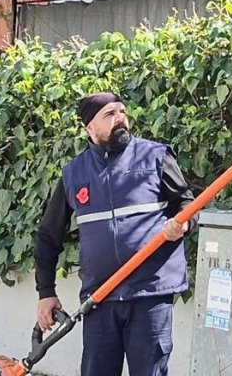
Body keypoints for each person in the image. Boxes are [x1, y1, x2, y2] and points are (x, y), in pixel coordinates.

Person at [34, 92, 199, 376]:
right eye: (109, 115)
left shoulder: (155, 156)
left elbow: (187, 204)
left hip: (149, 293)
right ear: (89, 128)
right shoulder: (75, 173)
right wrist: (45, 292)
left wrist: (182, 224)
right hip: (101, 297)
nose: (120, 118)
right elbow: (49, 236)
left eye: (122, 111)